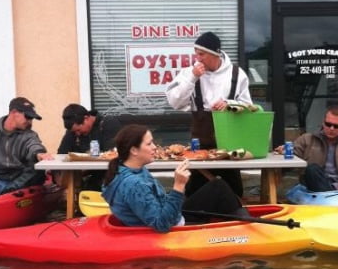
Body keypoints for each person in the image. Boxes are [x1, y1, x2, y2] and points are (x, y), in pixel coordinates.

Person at [101, 124, 245, 232]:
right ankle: (247, 229)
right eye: (149, 143)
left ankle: (241, 223)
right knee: (220, 190)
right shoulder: (134, 184)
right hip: (173, 226)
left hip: (172, 215)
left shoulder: (128, 169)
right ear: (134, 150)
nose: (155, 147)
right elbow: (161, 225)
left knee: (217, 186)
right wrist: (178, 186)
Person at [166, 30, 253, 196]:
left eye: (201, 54)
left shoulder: (237, 74)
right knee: (195, 197)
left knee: (232, 195)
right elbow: (174, 102)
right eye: (196, 54)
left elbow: (249, 108)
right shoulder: (188, 73)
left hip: (229, 149)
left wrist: (230, 104)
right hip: (199, 149)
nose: (197, 59)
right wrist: (192, 78)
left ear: (215, 54)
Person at [57, 103, 104, 191]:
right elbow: (61, 153)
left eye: (78, 130)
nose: (77, 134)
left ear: (86, 119)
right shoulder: (72, 132)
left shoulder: (105, 125)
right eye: (74, 132)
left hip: (103, 175)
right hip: (82, 175)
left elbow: (111, 154)